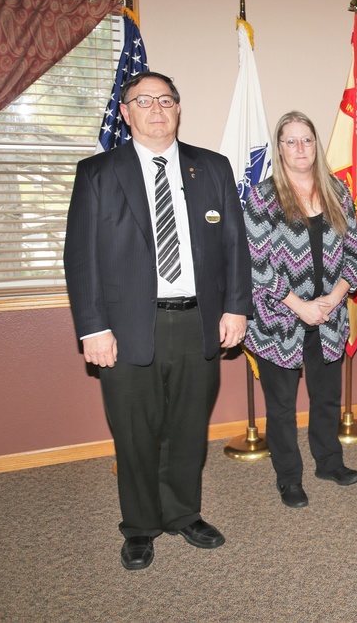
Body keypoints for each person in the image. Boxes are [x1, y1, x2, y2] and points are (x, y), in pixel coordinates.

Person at [64, 71, 252, 571]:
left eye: (165, 100)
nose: (155, 109)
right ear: (125, 113)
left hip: (197, 323)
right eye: (143, 101)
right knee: (135, 432)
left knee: (189, 428)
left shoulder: (211, 168)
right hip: (125, 329)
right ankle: (141, 526)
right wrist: (92, 327)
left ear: (178, 108)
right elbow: (80, 259)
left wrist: (236, 306)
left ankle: (184, 513)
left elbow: (235, 245)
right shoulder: (98, 173)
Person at [243, 111, 357, 507]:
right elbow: (257, 265)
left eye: (306, 140)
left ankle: (329, 462)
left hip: (329, 319)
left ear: (316, 145)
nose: (300, 148)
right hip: (279, 321)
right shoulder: (262, 197)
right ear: (279, 148)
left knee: (326, 398)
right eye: (290, 141)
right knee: (281, 407)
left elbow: (354, 257)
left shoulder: (338, 192)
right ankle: (289, 478)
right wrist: (299, 306)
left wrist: (333, 298)